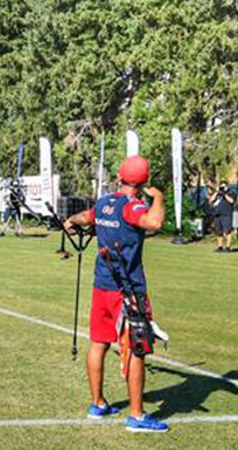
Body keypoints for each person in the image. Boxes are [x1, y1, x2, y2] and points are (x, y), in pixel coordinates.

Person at [63, 155, 169, 433]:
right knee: (137, 348)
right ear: (143, 181)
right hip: (128, 290)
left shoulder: (105, 202)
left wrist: (71, 221)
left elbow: (86, 217)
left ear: (120, 176)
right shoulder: (132, 206)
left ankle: (98, 404)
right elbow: (154, 222)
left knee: (98, 343)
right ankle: (136, 416)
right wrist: (158, 197)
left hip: (102, 286)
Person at [208, 180, 235, 252]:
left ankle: (228, 247)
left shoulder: (231, 192)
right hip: (217, 214)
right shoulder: (217, 194)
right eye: (221, 186)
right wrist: (217, 192)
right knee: (218, 232)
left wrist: (224, 194)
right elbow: (210, 200)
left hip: (226, 214)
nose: (222, 188)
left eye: (223, 186)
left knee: (227, 231)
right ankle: (220, 247)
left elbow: (231, 201)